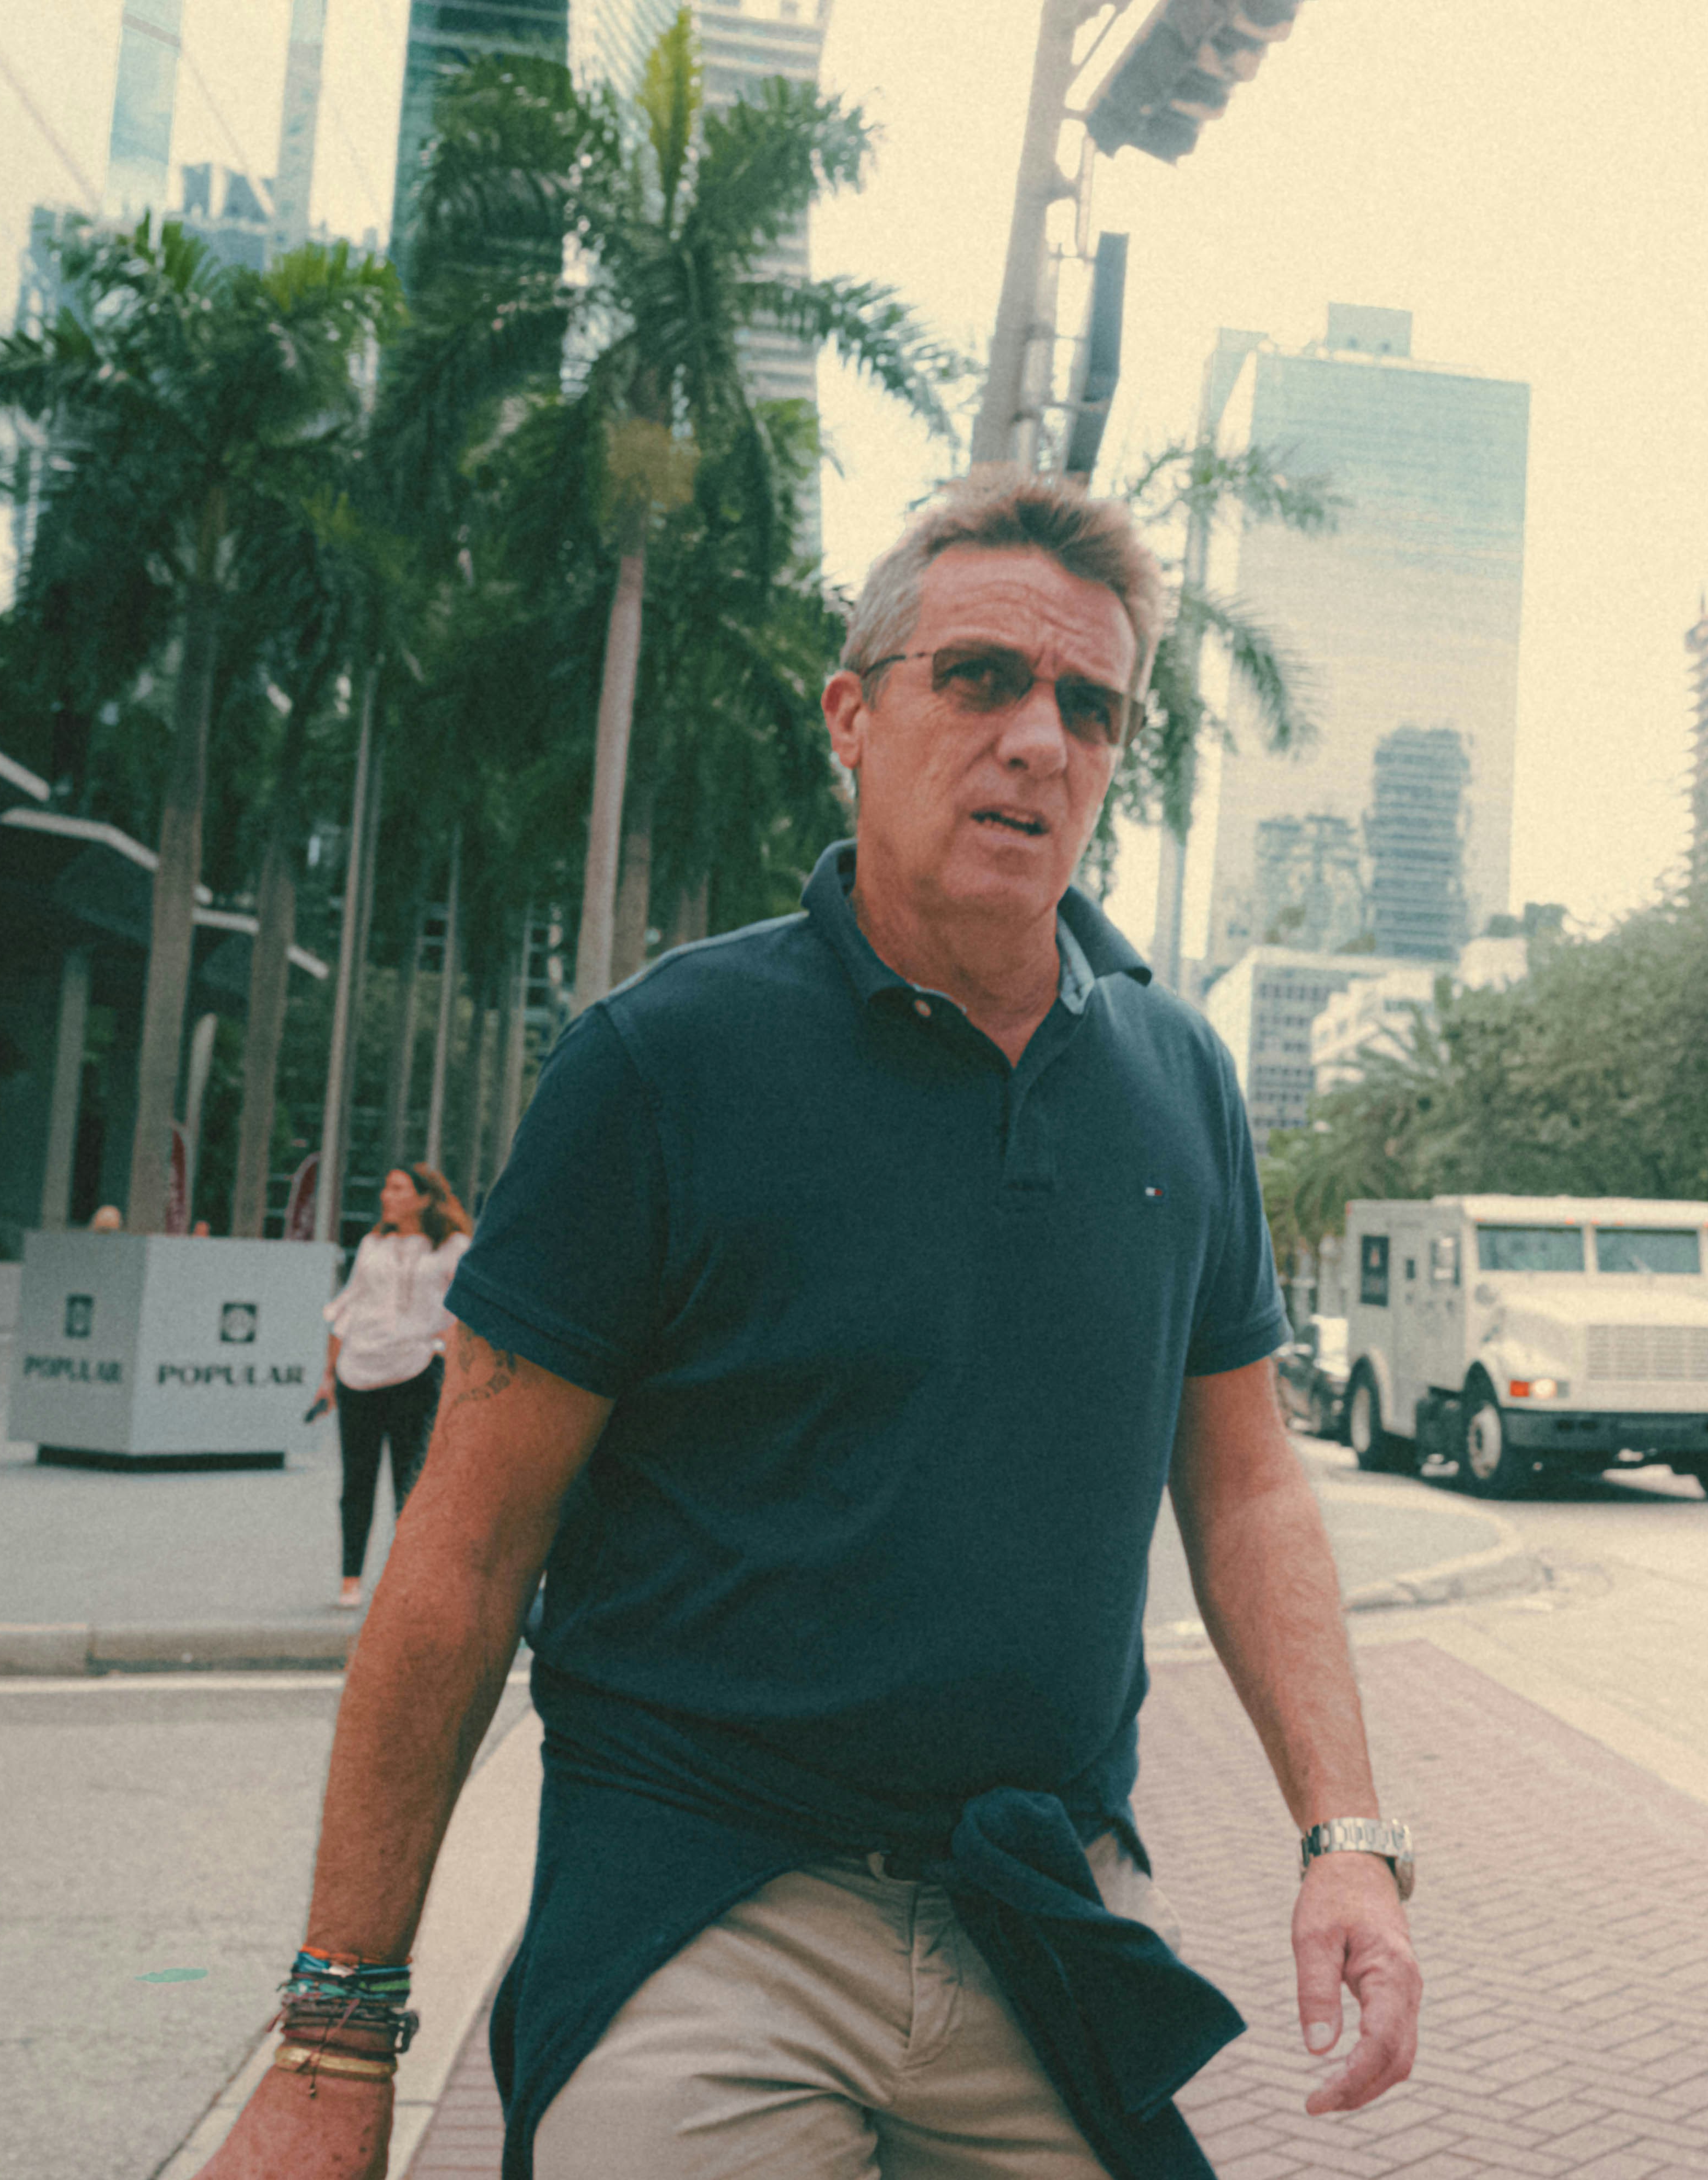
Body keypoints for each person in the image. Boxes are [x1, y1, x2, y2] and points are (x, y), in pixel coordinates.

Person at [204, 470, 1419, 2180]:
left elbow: (1247, 1489)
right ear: (854, 712)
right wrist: (337, 2041)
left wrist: (1347, 1838)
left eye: (1088, 704)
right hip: (702, 1909)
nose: (1036, 739)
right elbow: (466, 1556)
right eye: (980, 676)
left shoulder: (1180, 1086)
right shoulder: (661, 1064)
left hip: (1041, 1905)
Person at [318, 1163, 469, 1611]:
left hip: (416, 1372)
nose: (387, 1195)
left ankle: (406, 1581)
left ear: (425, 1197)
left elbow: (466, 1312)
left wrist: (443, 1350)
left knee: (412, 1482)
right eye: (386, 1187)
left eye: (399, 1188)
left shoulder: (452, 1247)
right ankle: (350, 1580)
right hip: (358, 1371)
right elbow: (346, 1309)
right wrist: (328, 1376)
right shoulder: (372, 1244)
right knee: (356, 1481)